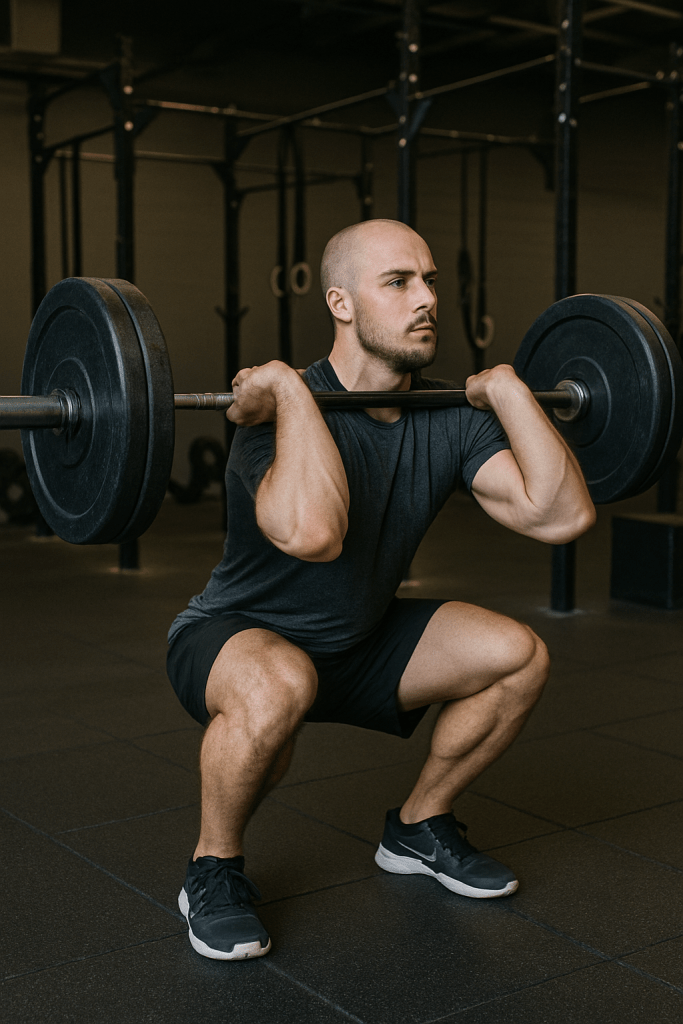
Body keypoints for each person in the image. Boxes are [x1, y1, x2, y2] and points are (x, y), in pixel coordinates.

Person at [166, 218, 595, 961]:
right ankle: (213, 868)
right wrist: (293, 394)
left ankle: (417, 827)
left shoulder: (447, 416)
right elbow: (313, 532)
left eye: (429, 280)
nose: (425, 298)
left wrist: (507, 390)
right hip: (239, 638)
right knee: (278, 683)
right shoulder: (271, 417)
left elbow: (560, 515)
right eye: (398, 282)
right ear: (340, 303)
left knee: (517, 654)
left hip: (360, 640)